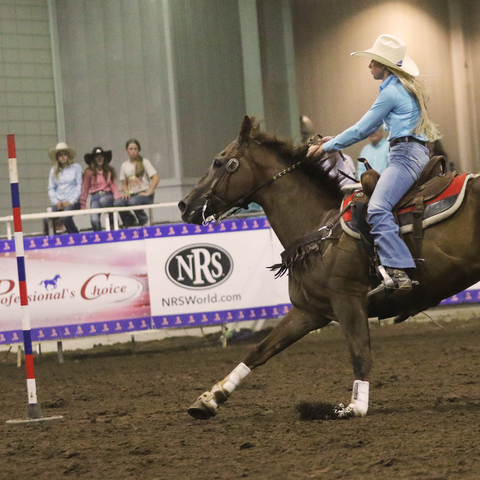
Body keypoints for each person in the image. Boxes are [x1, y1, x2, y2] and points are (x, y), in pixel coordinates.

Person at [308, 34, 441, 293]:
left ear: (384, 65)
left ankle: (399, 269)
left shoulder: (391, 92)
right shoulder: (401, 89)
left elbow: (362, 128)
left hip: (405, 157)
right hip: (411, 154)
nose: (369, 65)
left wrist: (325, 147)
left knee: (377, 208)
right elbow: (363, 128)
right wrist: (335, 140)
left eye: (372, 61)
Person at [113, 139, 160, 227]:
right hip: (132, 194)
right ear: (126, 150)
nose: (133, 151)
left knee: (132, 202)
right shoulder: (124, 165)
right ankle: (129, 220)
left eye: (135, 149)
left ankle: (144, 221)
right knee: (117, 203)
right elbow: (124, 183)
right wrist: (126, 192)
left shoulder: (144, 162)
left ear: (138, 150)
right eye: (131, 149)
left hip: (144, 194)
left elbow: (156, 177)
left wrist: (149, 191)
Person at [80, 147, 121, 231]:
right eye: (97, 157)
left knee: (104, 201)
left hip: (107, 195)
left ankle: (113, 222)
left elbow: (114, 185)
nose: (99, 159)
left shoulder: (109, 170)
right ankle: (99, 235)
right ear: (94, 159)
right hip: (95, 196)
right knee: (94, 220)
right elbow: (85, 188)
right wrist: (83, 204)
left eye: (101, 156)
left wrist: (117, 198)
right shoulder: (89, 172)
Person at [47, 142, 82, 234]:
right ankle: (51, 240)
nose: (62, 157)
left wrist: (71, 201)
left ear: (68, 156)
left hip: (73, 201)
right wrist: (56, 202)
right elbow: (51, 188)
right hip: (59, 202)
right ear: (57, 157)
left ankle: (75, 236)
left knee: (66, 217)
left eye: (64, 154)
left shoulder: (76, 168)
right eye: (60, 155)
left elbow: (79, 185)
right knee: (47, 219)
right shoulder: (53, 171)